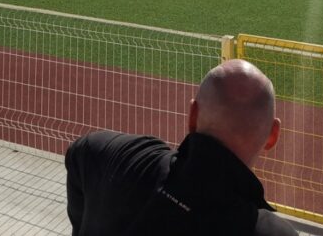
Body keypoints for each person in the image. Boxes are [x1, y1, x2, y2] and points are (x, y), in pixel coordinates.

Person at [65, 59, 296, 236]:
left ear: (192, 116)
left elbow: (79, 153)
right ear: (272, 136)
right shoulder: (271, 230)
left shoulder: (116, 155)